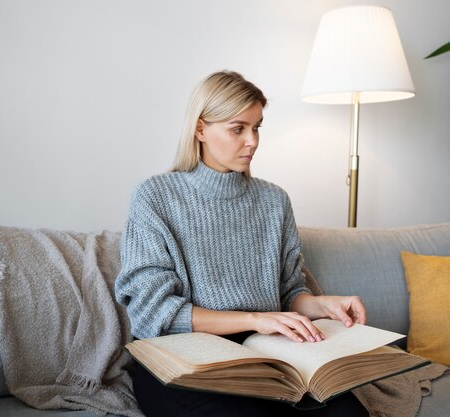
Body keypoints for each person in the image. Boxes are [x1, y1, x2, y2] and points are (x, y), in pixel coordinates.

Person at [115, 70, 368, 417]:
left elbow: (290, 294)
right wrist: (256, 319)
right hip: (182, 360)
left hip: (265, 353)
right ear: (201, 129)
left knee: (349, 413)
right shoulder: (155, 197)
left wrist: (324, 305)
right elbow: (153, 313)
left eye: (257, 127)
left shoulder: (274, 200)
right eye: (238, 129)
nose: (252, 141)